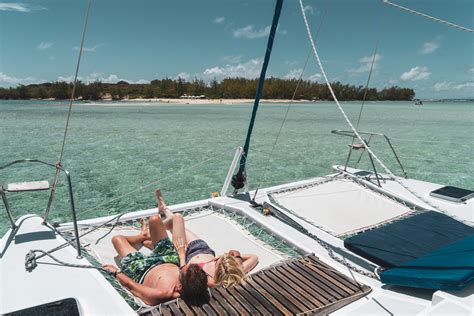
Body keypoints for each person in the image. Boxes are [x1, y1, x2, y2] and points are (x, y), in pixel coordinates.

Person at [154, 189, 259, 288]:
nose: (217, 258)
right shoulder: (235, 270)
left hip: (185, 252)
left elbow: (184, 275)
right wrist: (233, 259)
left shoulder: (210, 281)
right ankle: (164, 210)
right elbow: (254, 258)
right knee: (176, 220)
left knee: (177, 219)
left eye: (218, 262)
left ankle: (157, 222)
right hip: (200, 247)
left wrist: (181, 255)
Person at [103, 211, 208, 305]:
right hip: (168, 258)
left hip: (141, 269)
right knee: (155, 220)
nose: (182, 266)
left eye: (181, 270)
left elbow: (131, 286)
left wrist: (116, 272)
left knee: (117, 239)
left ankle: (143, 236)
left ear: (180, 286)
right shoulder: (195, 284)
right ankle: (147, 239)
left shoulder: (162, 293)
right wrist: (181, 255)